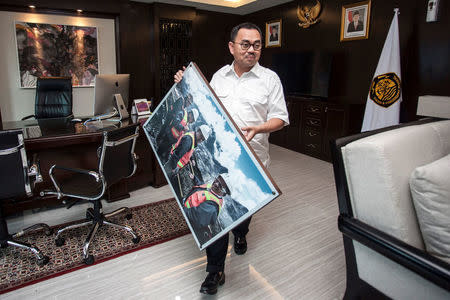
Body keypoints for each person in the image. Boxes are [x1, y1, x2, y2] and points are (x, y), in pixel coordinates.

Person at [174, 22, 289, 295]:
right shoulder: (219, 76)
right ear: (232, 47)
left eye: (257, 45)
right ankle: (215, 271)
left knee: (241, 211)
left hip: (252, 160)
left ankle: (242, 232)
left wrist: (259, 128)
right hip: (218, 157)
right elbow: (203, 106)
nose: (252, 50)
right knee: (219, 212)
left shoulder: (270, 79)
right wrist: (185, 84)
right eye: (245, 44)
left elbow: (280, 118)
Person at [183, 174, 231, 244]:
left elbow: (195, 217)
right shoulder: (211, 188)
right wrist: (195, 178)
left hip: (186, 215)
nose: (216, 183)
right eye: (217, 180)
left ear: (224, 193)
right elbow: (202, 187)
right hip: (185, 206)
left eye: (220, 185)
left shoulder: (212, 207)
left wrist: (182, 209)